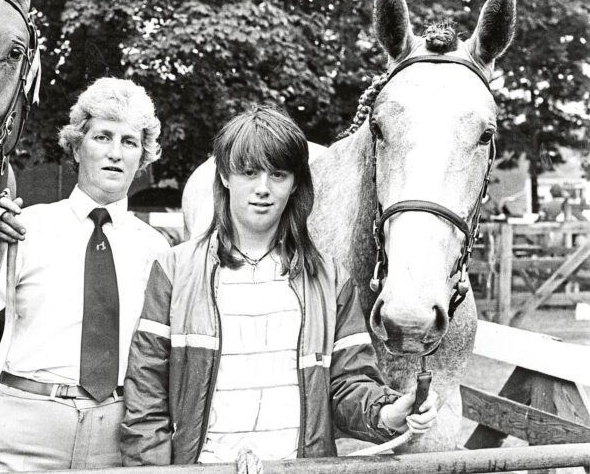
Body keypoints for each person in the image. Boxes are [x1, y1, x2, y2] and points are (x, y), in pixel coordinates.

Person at [121, 105, 438, 467]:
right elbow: (145, 401)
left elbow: (348, 385)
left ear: (295, 184)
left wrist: (388, 414)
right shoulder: (173, 270)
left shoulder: (331, 278)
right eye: (249, 172)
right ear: (225, 176)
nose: (262, 189)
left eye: (278, 174)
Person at [0, 77, 170, 471]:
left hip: (116, 434)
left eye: (129, 142)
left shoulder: (157, 250)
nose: (115, 153)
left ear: (142, 158)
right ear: (76, 146)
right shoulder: (25, 228)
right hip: (26, 431)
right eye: (102, 137)